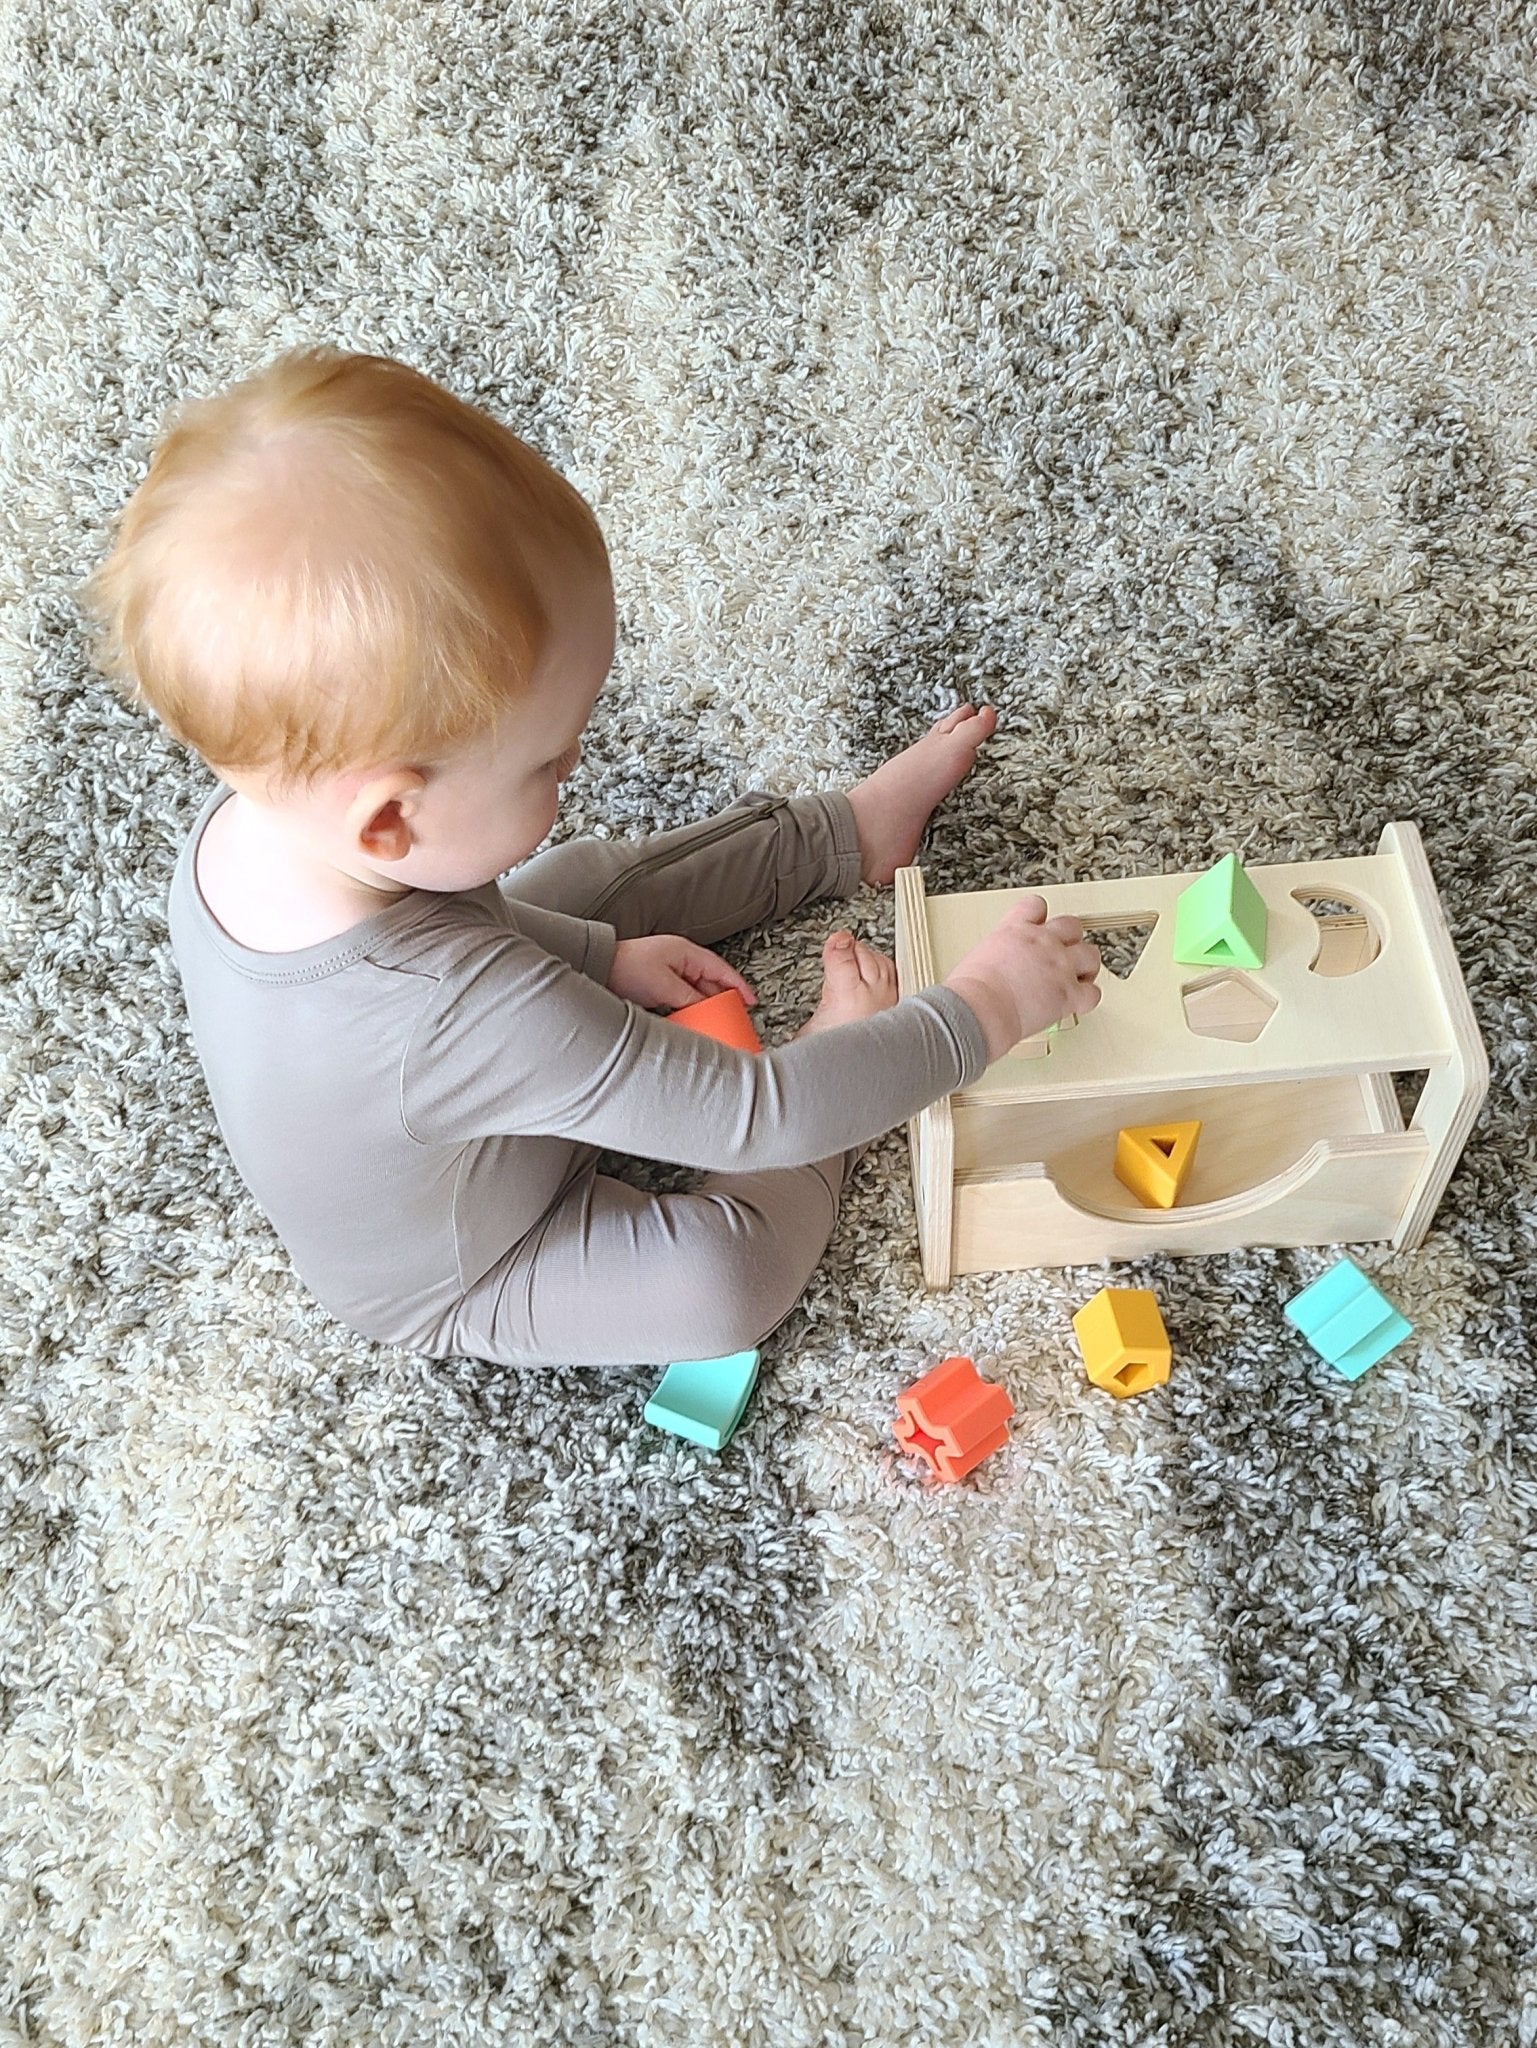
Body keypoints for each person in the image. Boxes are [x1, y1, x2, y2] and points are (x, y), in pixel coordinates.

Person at [85, 347, 1101, 1367]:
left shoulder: (257, 824)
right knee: (719, 1285)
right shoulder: (466, 1010)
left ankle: (850, 830)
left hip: (451, 1085)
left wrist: (596, 958)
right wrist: (990, 1007)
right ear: (390, 820)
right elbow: (759, 1111)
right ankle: (846, 1072)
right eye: (549, 760)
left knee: (581, 889)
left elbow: (459, 938)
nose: (578, 765)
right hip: (478, 1263)